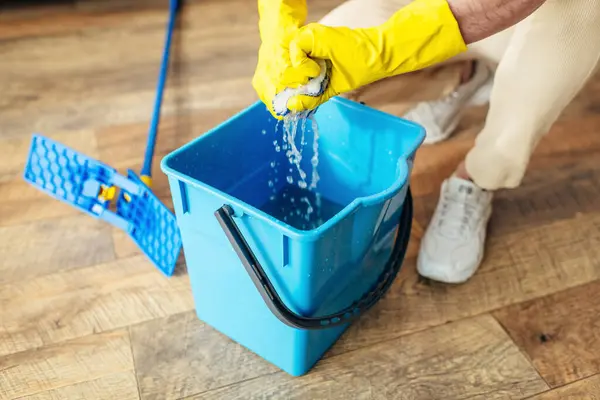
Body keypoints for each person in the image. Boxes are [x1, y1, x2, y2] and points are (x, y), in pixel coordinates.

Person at [252, 0, 600, 284]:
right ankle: (463, 79)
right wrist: (276, 22)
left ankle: (477, 177)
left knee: (571, 29)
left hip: (541, 19)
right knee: (324, 55)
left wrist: (386, 48)